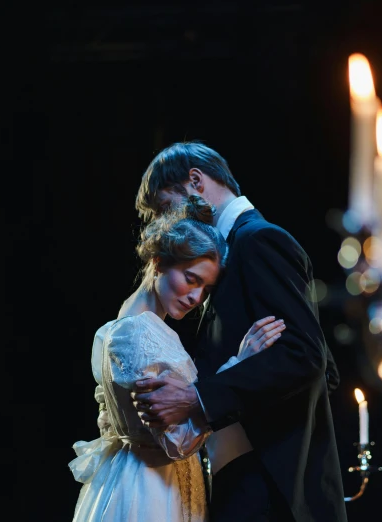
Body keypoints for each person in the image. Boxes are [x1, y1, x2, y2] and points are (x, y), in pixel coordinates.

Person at [132, 142, 347, 521]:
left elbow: (309, 357)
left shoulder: (258, 240)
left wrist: (199, 398)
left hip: (270, 484)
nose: (173, 224)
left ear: (195, 181)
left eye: (169, 207)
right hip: (248, 481)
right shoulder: (227, 254)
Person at [69, 195, 286, 522]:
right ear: (158, 263)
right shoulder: (141, 335)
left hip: (135, 478)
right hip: (153, 491)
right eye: (191, 278)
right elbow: (177, 442)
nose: (196, 297)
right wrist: (239, 365)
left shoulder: (117, 326)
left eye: (205, 289)